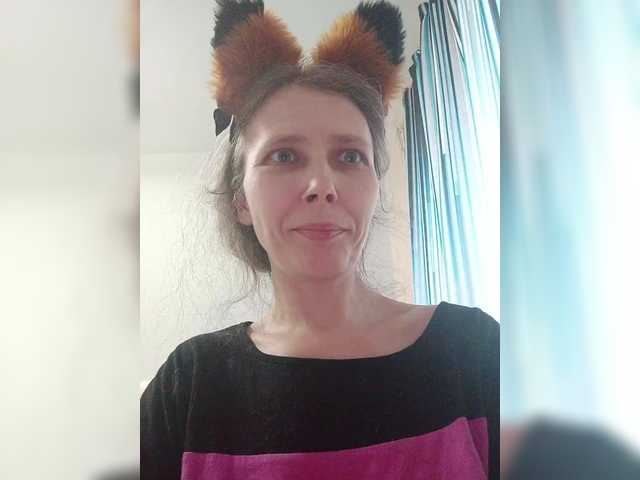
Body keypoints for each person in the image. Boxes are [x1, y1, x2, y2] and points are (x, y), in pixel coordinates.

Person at [141, 1, 499, 478]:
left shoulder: (475, 352)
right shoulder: (187, 387)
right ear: (241, 200)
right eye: (284, 156)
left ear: (375, 188)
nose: (322, 185)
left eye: (350, 157)